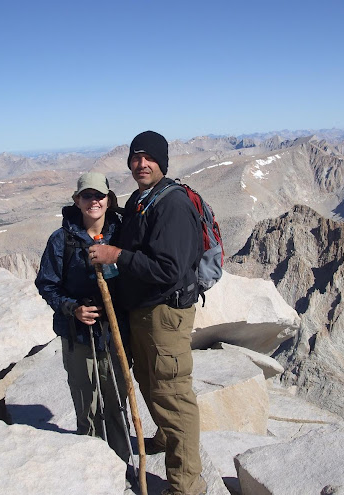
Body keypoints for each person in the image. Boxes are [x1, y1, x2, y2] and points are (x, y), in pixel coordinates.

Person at [89, 131, 207, 495]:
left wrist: (116, 256)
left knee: (172, 394)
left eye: (148, 157)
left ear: (162, 161)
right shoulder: (143, 199)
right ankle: (166, 436)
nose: (141, 163)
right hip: (142, 313)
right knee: (150, 383)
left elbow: (168, 269)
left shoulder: (172, 205)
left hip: (165, 315)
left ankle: (186, 485)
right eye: (135, 158)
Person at [34, 172, 130, 465]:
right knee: (85, 403)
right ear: (77, 200)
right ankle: (92, 465)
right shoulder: (61, 240)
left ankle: (120, 463)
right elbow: (47, 284)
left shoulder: (123, 235)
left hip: (115, 333)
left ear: (109, 199)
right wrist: (72, 308)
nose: (94, 201)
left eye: (99, 195)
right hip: (78, 335)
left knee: (115, 402)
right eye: (87, 195)